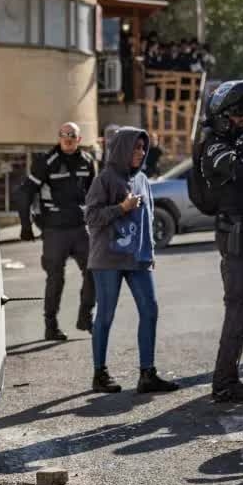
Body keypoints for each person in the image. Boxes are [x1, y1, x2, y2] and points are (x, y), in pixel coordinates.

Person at [84, 127, 181, 394]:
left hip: (138, 259)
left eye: (142, 147)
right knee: (105, 315)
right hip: (107, 259)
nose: (140, 152)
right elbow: (91, 217)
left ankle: (147, 375)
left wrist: (149, 253)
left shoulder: (142, 180)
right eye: (135, 147)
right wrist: (121, 208)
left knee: (150, 310)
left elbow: (147, 218)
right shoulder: (104, 179)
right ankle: (100, 374)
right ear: (121, 149)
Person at [200, 80, 243, 403]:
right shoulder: (214, 146)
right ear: (223, 117)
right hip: (235, 233)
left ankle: (229, 375)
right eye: (239, 113)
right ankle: (224, 382)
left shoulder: (234, 143)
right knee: (238, 307)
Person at [17, 122, 99, 339]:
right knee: (55, 278)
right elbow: (24, 193)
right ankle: (50, 326)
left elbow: (94, 195)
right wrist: (26, 226)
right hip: (54, 230)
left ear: (79, 139)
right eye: (64, 135)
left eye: (72, 136)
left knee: (94, 270)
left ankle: (85, 317)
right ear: (59, 138)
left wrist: (99, 222)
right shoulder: (47, 162)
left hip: (80, 228)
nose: (68, 139)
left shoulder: (87, 161)